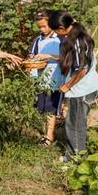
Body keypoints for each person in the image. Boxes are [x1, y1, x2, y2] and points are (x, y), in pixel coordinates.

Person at [48, 11, 98, 162]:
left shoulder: (78, 40)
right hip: (85, 88)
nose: (57, 35)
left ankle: (77, 159)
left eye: (57, 31)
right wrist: (51, 57)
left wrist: (66, 85)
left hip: (81, 90)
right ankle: (75, 153)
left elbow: (82, 70)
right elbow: (73, 60)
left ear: (61, 27)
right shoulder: (77, 34)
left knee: (75, 125)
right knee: (75, 123)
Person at [28, 11, 64, 146]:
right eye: (40, 27)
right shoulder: (38, 40)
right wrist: (34, 61)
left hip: (56, 79)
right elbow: (32, 56)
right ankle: (44, 133)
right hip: (41, 79)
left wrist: (49, 56)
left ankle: (49, 136)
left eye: (44, 26)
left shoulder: (60, 38)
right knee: (41, 107)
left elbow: (67, 58)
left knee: (51, 108)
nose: (42, 29)